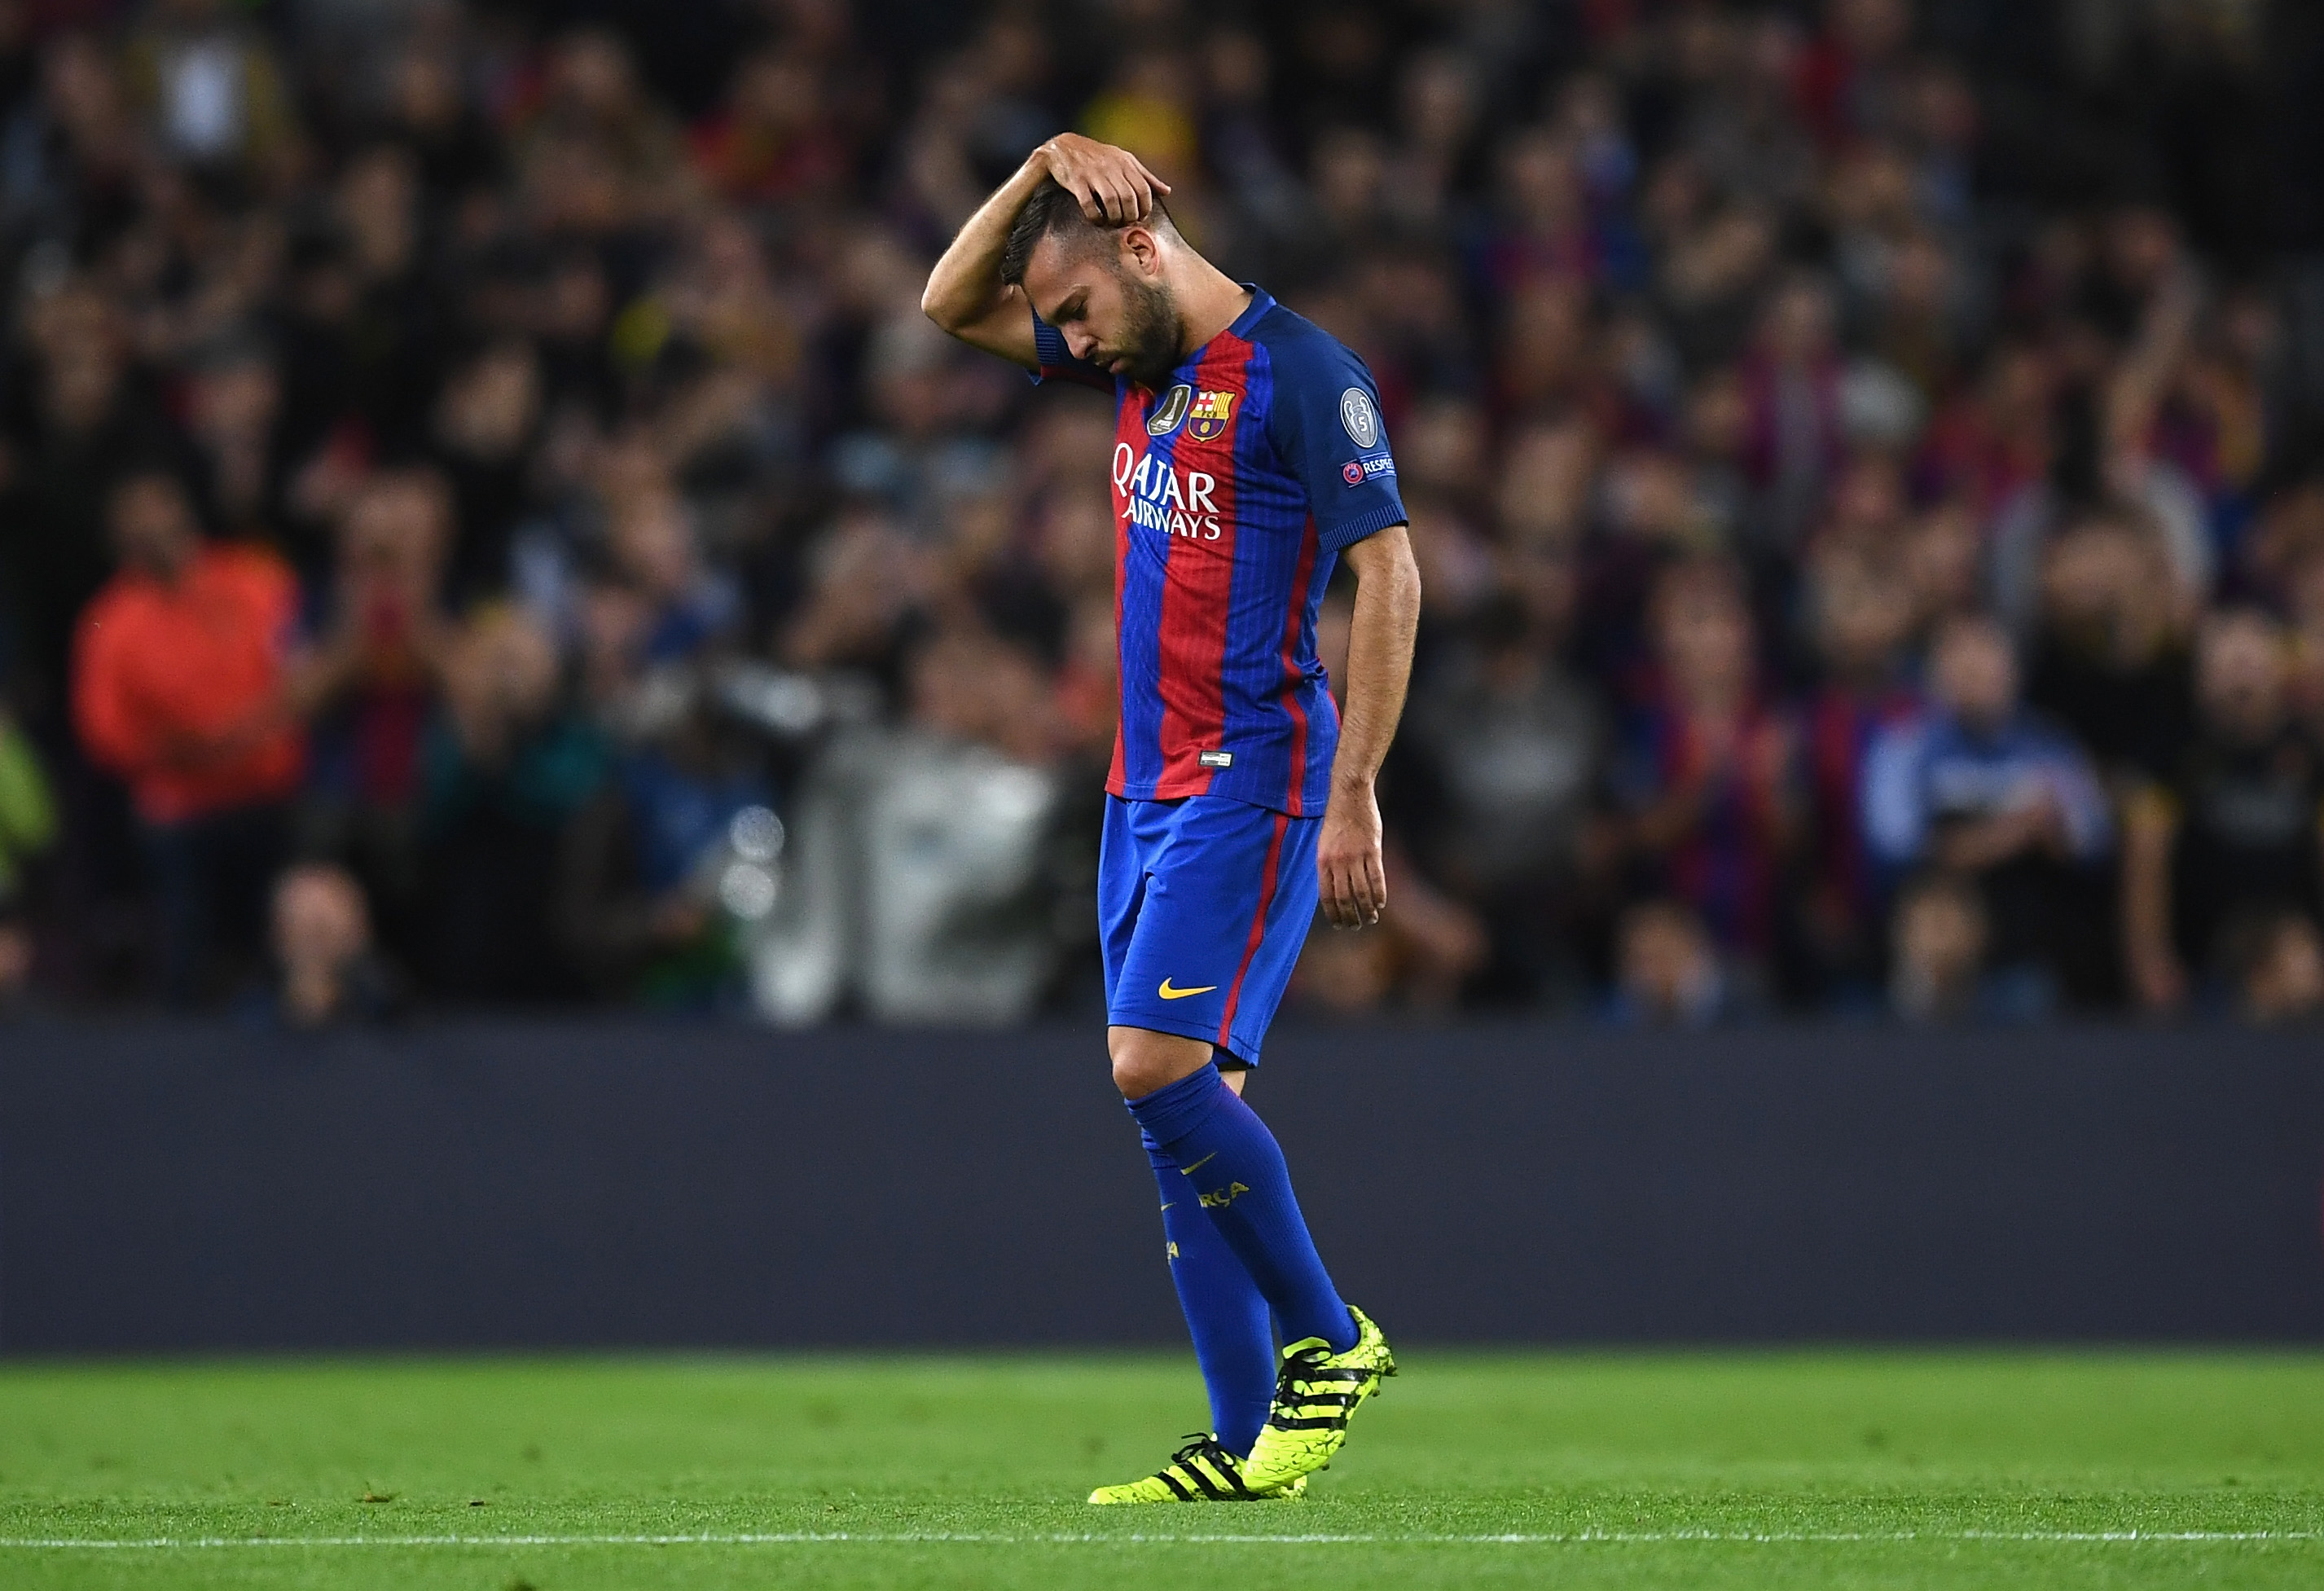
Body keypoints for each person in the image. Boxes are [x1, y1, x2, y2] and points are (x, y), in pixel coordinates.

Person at [922, 133, 1418, 1503]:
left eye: (1075, 309)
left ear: (1143, 250)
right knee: (1186, 1110)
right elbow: (946, 306)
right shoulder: (1140, 361)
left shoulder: (1304, 375)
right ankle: (1247, 1437)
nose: (1067, 345)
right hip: (1137, 792)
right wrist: (1034, 174)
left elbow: (1391, 578)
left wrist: (1354, 788)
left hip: (1250, 773)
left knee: (1149, 1063)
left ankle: (1332, 1337)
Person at [72, 470, 306, 1004]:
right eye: (137, 526)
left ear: (186, 515)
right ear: (118, 541)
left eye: (162, 514)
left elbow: (299, 665)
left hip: (269, 797)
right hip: (180, 813)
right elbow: (104, 733)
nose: (155, 531)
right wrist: (192, 747)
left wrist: (253, 727)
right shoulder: (109, 621)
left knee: (277, 945)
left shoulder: (256, 577)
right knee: (185, 953)